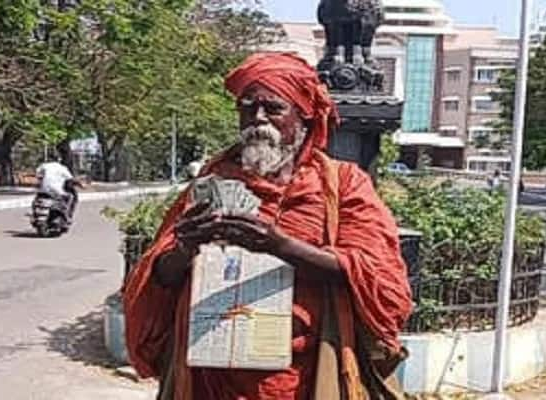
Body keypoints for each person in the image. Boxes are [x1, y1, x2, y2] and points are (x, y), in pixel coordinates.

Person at [123, 53, 413, 400]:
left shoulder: (344, 184)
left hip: (305, 376)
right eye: (248, 108)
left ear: (303, 115)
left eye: (273, 108)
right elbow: (160, 278)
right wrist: (183, 251)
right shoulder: (211, 182)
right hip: (211, 378)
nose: (258, 119)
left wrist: (279, 245)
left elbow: (379, 278)